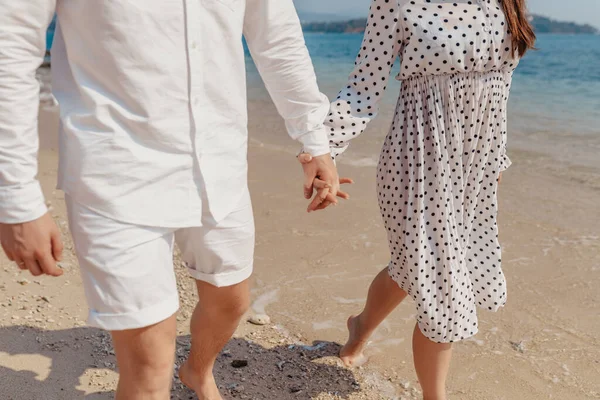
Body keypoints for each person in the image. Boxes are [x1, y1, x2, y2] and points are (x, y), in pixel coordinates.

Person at [0, 1, 349, 399]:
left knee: (230, 300)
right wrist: (16, 197)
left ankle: (197, 370)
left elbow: (276, 36)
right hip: (114, 167)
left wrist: (314, 140)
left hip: (220, 161)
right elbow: (10, 43)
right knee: (148, 362)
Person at [299, 0, 535, 398]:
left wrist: (496, 160)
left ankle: (358, 331)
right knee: (445, 292)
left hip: (474, 166)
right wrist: (323, 154)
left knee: (413, 266)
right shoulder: (397, 3)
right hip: (417, 165)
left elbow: (500, 88)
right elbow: (362, 89)